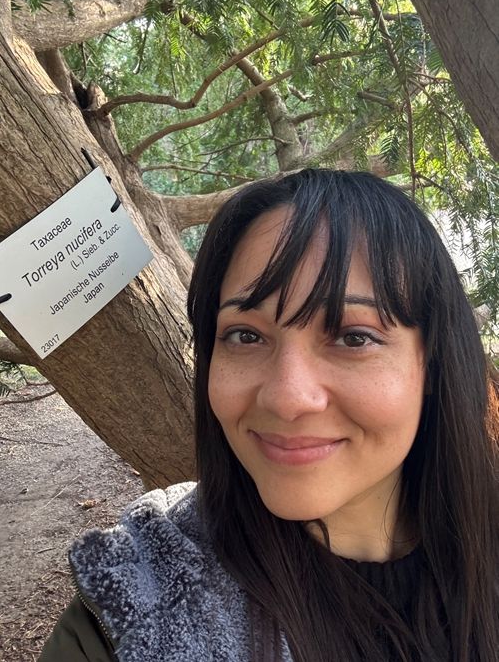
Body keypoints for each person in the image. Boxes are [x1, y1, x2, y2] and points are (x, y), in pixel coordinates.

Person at [40, 169, 498, 662]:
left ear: (434, 361)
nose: (287, 398)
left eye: (353, 337)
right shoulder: (125, 611)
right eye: (246, 336)